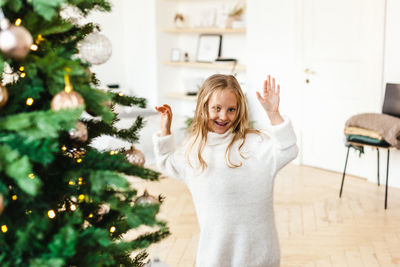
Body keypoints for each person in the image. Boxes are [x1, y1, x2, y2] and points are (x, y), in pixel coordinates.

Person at [153, 74, 298, 267]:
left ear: (239, 110)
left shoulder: (256, 144)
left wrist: (274, 115)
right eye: (216, 108)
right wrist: (165, 130)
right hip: (214, 258)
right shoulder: (193, 150)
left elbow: (288, 150)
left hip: (259, 257)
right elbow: (166, 161)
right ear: (204, 107)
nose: (223, 116)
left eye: (231, 109)